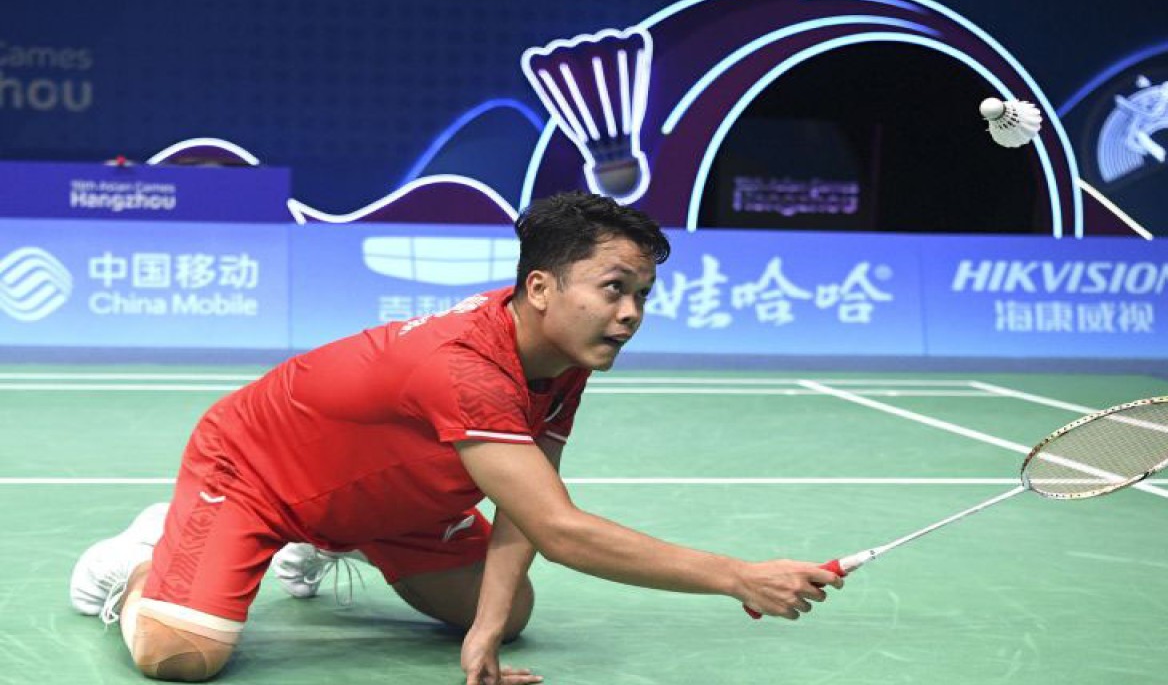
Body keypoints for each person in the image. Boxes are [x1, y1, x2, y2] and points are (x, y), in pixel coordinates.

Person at [69, 191, 842, 684]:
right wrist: (739, 577)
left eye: (642, 294)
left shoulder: (559, 360)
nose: (632, 312)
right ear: (540, 288)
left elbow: (529, 505)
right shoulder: (466, 365)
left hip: (396, 499)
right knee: (181, 658)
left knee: (513, 614)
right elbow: (561, 530)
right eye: (614, 289)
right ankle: (147, 559)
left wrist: (480, 636)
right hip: (254, 471)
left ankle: (338, 537)